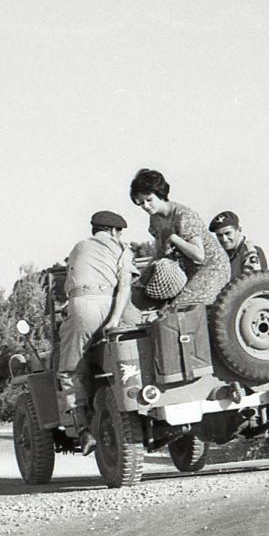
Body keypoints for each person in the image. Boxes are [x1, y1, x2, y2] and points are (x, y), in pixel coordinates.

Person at [56, 210, 140, 455]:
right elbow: (124, 286)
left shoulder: (78, 247)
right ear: (114, 231)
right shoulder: (122, 248)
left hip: (81, 306)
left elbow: (69, 287)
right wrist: (114, 318)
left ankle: (83, 429)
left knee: (69, 370)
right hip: (112, 304)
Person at [129, 168, 230, 308]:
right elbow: (159, 254)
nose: (145, 206)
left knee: (180, 308)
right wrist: (141, 281)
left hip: (212, 267)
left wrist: (174, 238)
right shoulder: (155, 219)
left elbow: (199, 255)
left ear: (160, 194)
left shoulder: (183, 215)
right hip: (187, 271)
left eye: (149, 200)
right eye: (141, 203)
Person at [209, 210, 268, 280]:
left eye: (228, 233)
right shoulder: (224, 254)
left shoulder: (249, 251)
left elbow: (252, 283)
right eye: (219, 235)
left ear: (239, 230)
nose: (224, 239)